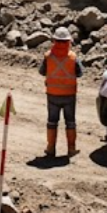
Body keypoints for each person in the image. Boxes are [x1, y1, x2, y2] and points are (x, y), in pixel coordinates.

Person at [39, 26, 83, 158]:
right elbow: (80, 73)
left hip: (52, 94)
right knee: (70, 122)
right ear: (68, 41)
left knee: (52, 122)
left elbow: (41, 72)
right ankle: (71, 149)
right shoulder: (73, 57)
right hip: (69, 94)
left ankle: (51, 148)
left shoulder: (48, 56)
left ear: (54, 40)